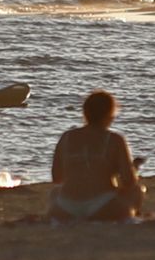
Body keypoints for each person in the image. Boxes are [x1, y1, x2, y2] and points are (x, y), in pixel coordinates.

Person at [49, 91, 145, 222]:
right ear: (110, 114)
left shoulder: (67, 137)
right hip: (102, 204)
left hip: (67, 206)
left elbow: (57, 178)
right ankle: (128, 217)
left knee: (55, 192)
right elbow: (129, 181)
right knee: (137, 190)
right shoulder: (115, 139)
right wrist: (131, 169)